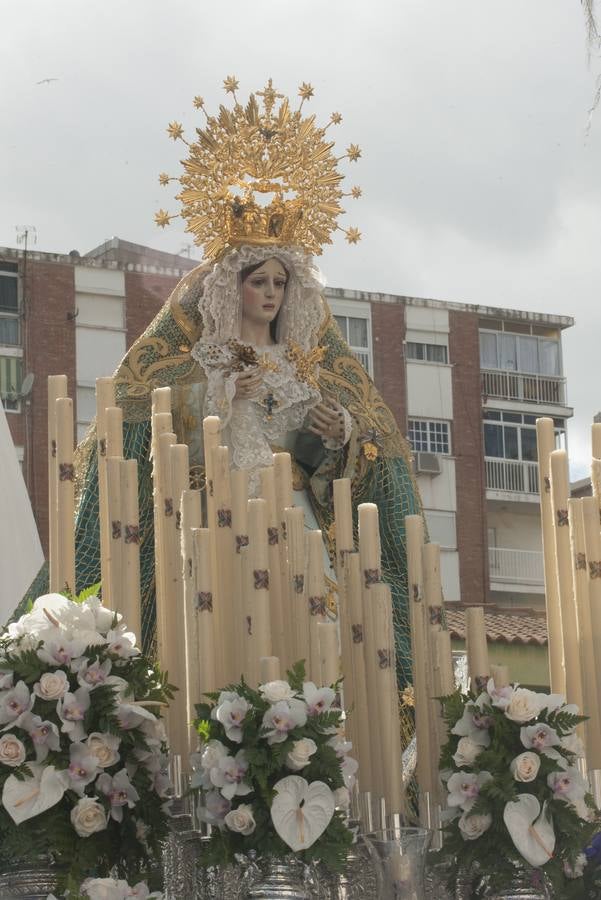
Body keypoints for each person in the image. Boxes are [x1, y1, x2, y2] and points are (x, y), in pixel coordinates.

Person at [24, 80, 422, 726]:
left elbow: (346, 463)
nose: (268, 293)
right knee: (212, 635)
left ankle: (305, 738)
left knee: (310, 634)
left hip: (293, 522)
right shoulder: (193, 360)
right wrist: (209, 400)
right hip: (211, 522)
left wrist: (337, 432)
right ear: (228, 287)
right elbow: (136, 433)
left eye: (278, 282)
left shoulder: (307, 366)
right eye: (256, 280)